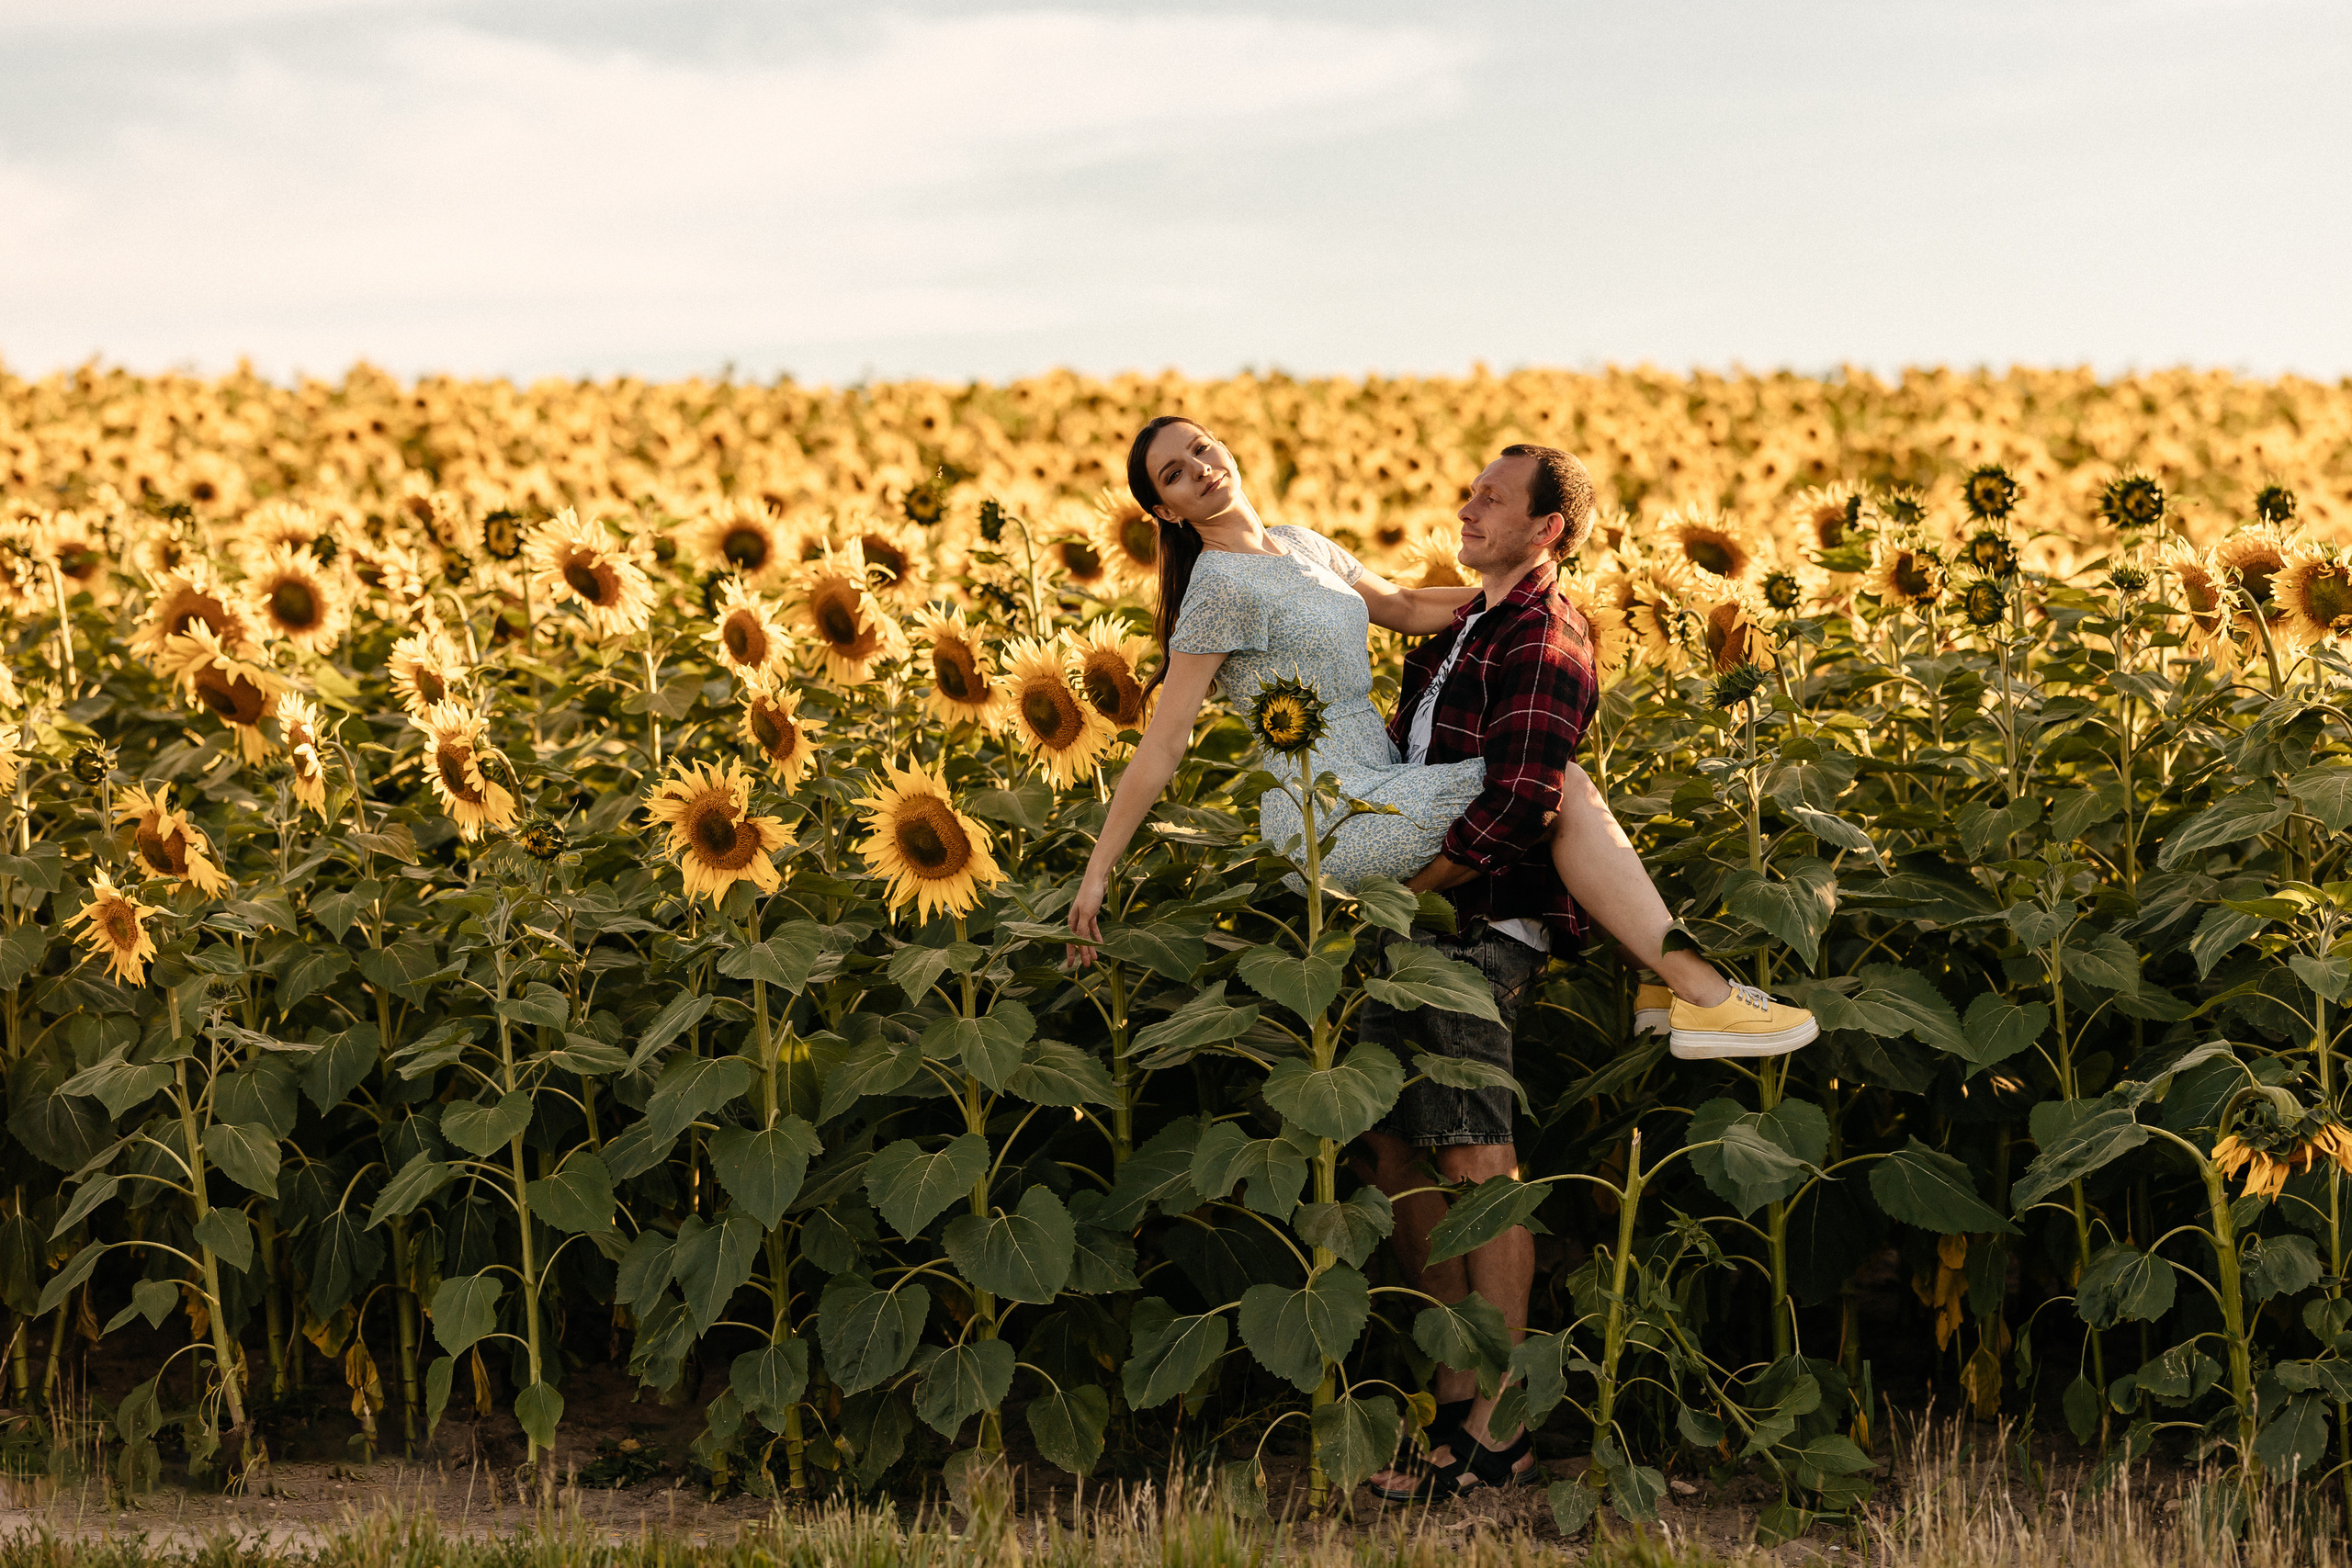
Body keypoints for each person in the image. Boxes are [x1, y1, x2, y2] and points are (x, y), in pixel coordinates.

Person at [1064, 416, 1816, 1497]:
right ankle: (1691, 984)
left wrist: (1525, 591)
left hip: (1387, 805)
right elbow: (1166, 738)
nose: (1199, 471)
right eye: (1172, 476)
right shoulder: (1214, 593)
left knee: (1425, 1122)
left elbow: (1413, 608)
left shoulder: (1304, 547)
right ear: (1164, 512)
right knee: (1548, 787)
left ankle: (1680, 991)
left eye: (1202, 449)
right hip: (1332, 818)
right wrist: (1098, 872)